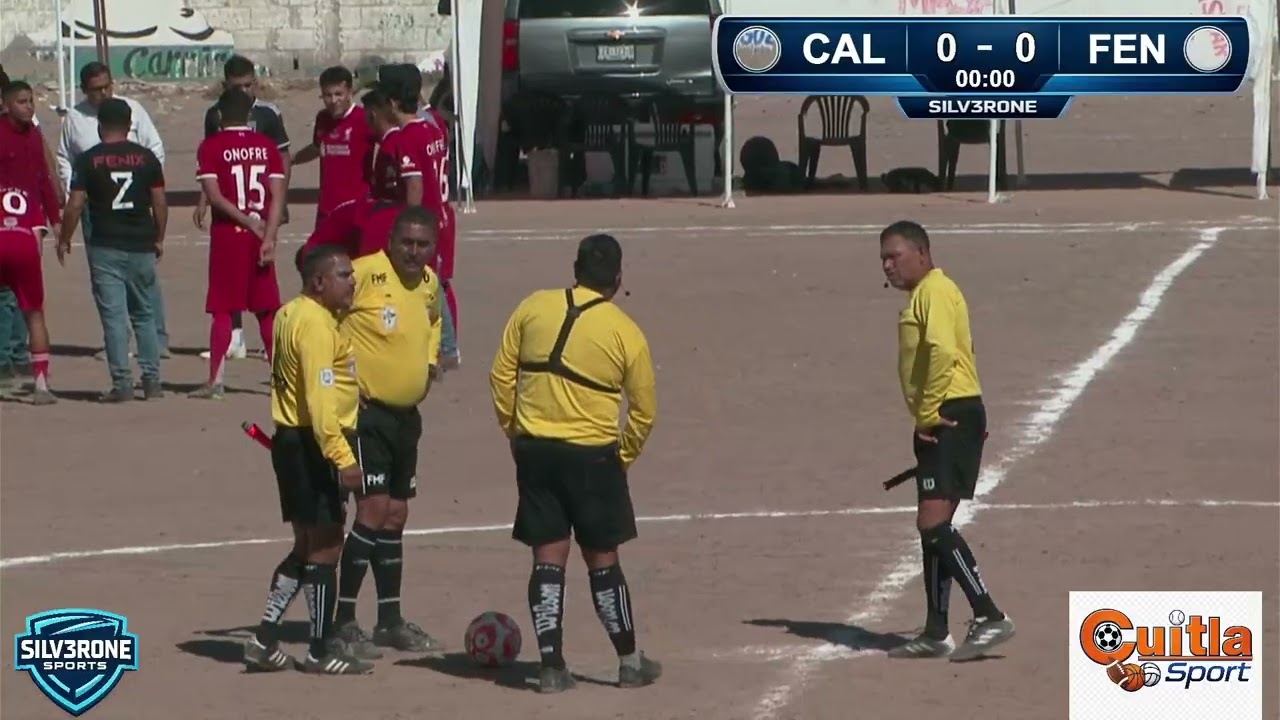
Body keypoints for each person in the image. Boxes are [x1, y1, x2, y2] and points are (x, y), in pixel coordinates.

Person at [488, 234, 660, 693]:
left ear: (574, 269)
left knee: (548, 555)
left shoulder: (533, 307)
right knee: (602, 558)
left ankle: (550, 667)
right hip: (592, 456)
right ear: (619, 280)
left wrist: (513, 429)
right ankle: (628, 660)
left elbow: (501, 373)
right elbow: (643, 410)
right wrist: (623, 456)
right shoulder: (626, 331)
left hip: (536, 451)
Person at [878, 220, 1015, 662]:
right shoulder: (926, 293)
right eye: (883, 258)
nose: (887, 266)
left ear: (922, 252)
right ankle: (937, 631)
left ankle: (989, 615)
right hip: (947, 414)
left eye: (895, 256)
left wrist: (928, 412)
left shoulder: (934, 291)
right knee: (929, 525)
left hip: (949, 415)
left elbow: (940, 350)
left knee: (933, 524)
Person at [244, 242, 372, 675]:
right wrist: (342, 457)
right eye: (344, 275)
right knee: (327, 545)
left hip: (290, 441)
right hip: (315, 445)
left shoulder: (289, 313)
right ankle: (319, 650)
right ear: (319, 282)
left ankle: (263, 639)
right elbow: (319, 402)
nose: (352, 282)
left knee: (305, 545)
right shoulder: (317, 326)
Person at [332, 206, 446, 659]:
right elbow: (325, 321)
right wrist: (343, 380)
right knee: (373, 510)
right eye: (407, 243)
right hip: (368, 416)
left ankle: (390, 619)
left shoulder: (430, 283)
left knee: (397, 513)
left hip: (406, 419)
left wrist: (432, 359)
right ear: (391, 241)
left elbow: (435, 320)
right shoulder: (361, 275)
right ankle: (342, 621)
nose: (415, 253)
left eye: (423, 245)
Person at [55, 99, 167, 402]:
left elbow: (75, 204)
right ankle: (152, 380)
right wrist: (159, 237)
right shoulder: (146, 159)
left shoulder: (89, 160)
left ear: (100, 125)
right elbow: (159, 201)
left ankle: (122, 382)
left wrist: (64, 238)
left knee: (114, 317)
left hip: (105, 244)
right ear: (130, 124)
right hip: (141, 242)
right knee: (144, 314)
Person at [190, 88, 285, 399]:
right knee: (266, 310)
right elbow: (277, 195)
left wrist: (245, 221)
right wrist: (268, 235)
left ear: (219, 114)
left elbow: (215, 196)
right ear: (249, 115)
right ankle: (280, 380)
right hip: (261, 235)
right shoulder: (267, 146)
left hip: (229, 236)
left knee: (222, 307)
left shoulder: (211, 147)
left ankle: (216, 380)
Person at [378, 64, 460, 370]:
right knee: (435, 282)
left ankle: (446, 347)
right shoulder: (434, 125)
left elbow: (414, 183)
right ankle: (441, 347)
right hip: (442, 215)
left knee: (425, 283)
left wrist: (407, 226)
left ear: (392, 103)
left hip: (426, 220)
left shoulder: (407, 137)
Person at [0, 80, 61, 404]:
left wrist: (56, 218)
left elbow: (42, 177)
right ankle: (8, 363)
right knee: (17, 303)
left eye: (31, 101)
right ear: (6, 105)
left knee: (25, 303)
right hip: (10, 222)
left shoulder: (34, 135)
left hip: (29, 222)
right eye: (22, 102)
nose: (29, 106)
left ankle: (23, 365)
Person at [290, 66, 374, 228]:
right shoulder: (322, 118)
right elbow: (316, 147)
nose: (333, 100)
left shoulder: (364, 119)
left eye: (338, 94)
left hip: (356, 207)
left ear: (349, 92)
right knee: (319, 252)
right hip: (326, 208)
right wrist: (292, 159)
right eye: (328, 95)